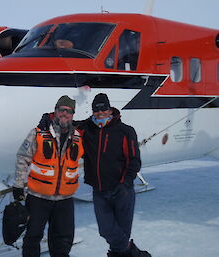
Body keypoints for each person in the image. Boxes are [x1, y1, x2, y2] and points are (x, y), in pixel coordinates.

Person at [38, 93, 151, 257]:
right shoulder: (86, 128)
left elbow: (134, 160)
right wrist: (50, 118)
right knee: (106, 230)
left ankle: (120, 253)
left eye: (103, 109)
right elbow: (67, 124)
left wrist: (125, 183)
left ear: (109, 109)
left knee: (121, 234)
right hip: (99, 190)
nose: (100, 114)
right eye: (96, 110)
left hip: (122, 190)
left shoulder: (125, 131)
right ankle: (133, 253)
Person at [12, 95, 84, 257]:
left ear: (73, 114)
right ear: (55, 111)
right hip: (38, 198)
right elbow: (23, 157)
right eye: (61, 110)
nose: (64, 114)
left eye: (69, 111)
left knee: (64, 240)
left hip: (65, 200)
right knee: (32, 237)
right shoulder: (38, 133)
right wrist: (18, 185)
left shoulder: (78, 137)